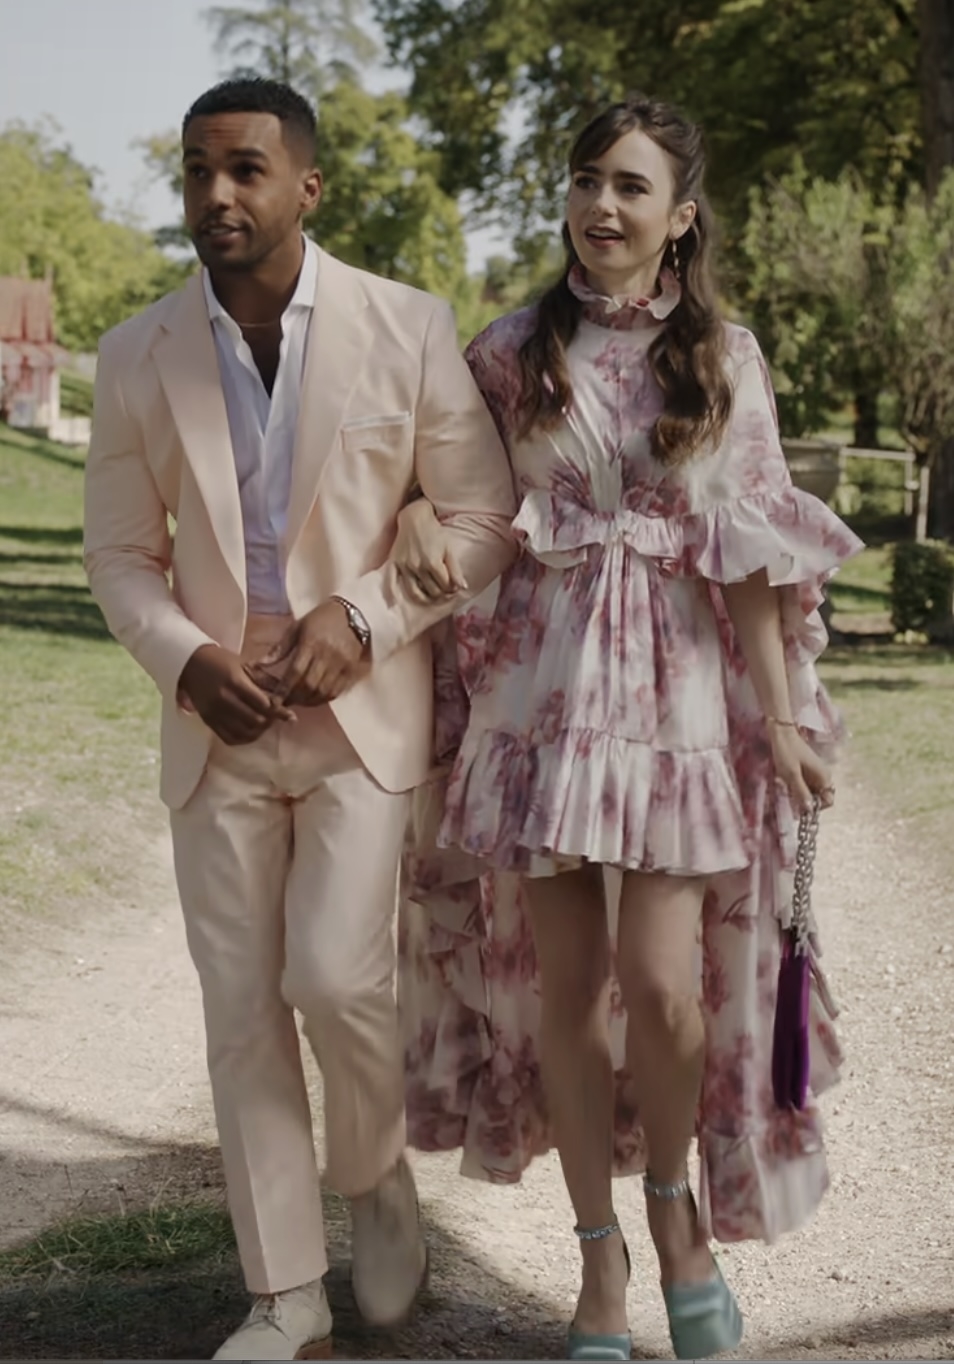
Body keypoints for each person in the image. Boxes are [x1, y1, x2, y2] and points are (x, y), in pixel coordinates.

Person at [392, 93, 862, 1361]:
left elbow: (753, 555)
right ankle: (600, 1269)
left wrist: (784, 714)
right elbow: (458, 501)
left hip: (677, 695)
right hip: (540, 695)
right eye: (588, 178)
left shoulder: (725, 358)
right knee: (570, 993)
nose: (604, 205)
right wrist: (424, 525)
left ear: (680, 214)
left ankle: (679, 1226)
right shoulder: (508, 351)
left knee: (663, 988)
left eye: (633, 187)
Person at [83, 77, 517, 1362]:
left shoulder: (407, 325)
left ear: (305, 187)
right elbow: (118, 554)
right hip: (213, 722)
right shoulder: (134, 352)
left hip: (360, 722)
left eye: (247, 170)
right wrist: (181, 655)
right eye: (198, 171)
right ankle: (285, 1293)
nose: (218, 194)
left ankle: (376, 1181)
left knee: (335, 978)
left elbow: (487, 520)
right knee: (240, 1006)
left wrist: (370, 617)